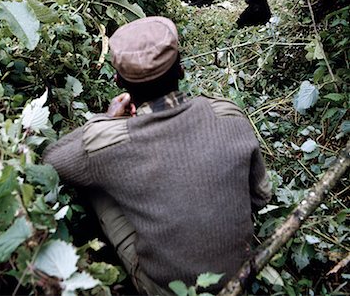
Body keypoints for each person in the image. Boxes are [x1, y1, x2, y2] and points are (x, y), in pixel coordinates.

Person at [44, 16, 271, 295]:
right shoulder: (228, 113)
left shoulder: (107, 143)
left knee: (94, 183)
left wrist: (105, 120)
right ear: (182, 70)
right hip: (241, 275)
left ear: (118, 81)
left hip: (168, 288)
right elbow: (260, 197)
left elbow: (50, 161)